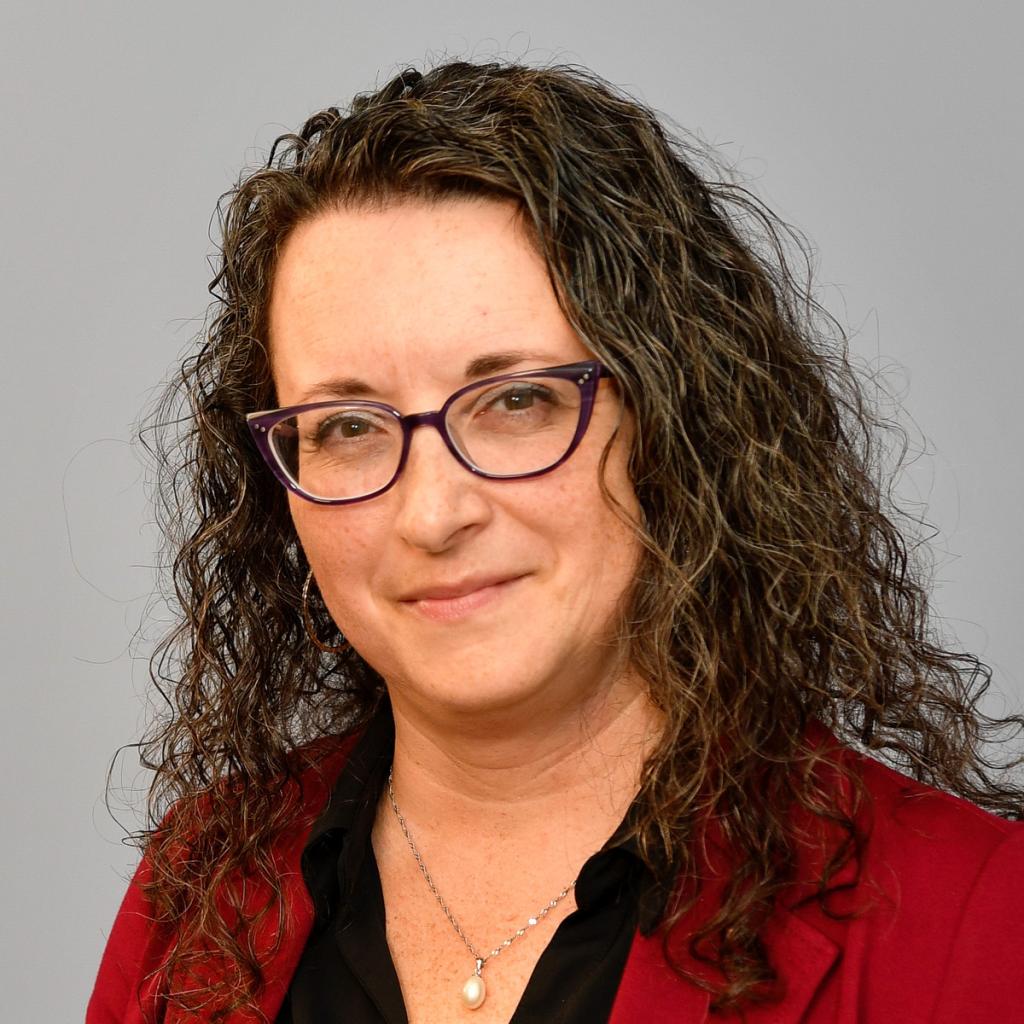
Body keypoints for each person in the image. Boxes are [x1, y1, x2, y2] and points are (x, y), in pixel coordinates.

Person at [88, 60, 1024, 1024]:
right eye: (349, 426)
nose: (432, 514)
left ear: (674, 421)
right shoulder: (198, 887)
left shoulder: (977, 917)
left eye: (518, 402)